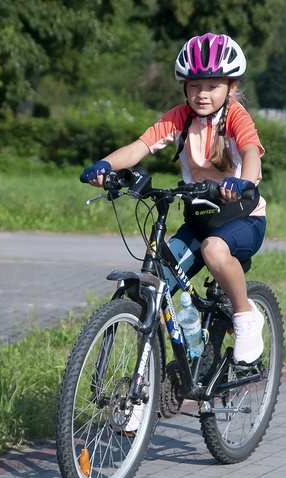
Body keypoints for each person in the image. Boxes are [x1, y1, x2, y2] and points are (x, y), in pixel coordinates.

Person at [80, 33, 266, 366]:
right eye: (195, 86)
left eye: (212, 86)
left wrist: (243, 182)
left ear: (231, 87)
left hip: (241, 218)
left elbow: (251, 151)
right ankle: (143, 393)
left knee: (214, 249)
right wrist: (106, 164)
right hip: (198, 220)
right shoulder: (180, 117)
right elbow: (140, 147)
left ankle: (245, 316)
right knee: (147, 292)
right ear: (184, 87)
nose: (202, 94)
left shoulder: (235, 116)